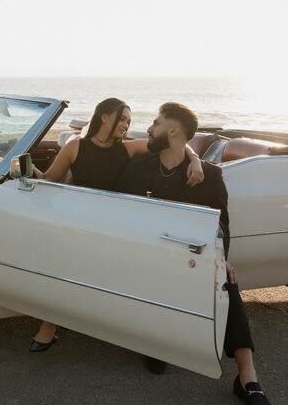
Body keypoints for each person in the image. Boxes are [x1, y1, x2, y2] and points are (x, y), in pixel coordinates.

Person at [114, 101, 274, 405]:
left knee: (225, 280)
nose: (149, 128)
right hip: (148, 259)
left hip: (189, 260)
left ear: (173, 131)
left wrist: (220, 259)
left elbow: (221, 224)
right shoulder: (140, 168)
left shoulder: (209, 176)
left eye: (156, 123)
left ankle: (248, 378)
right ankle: (161, 343)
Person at [28, 97, 206, 351]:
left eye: (129, 121)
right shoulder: (75, 146)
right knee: (58, 257)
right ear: (104, 117)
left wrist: (196, 160)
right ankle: (49, 324)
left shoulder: (128, 148)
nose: (126, 125)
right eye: (122, 119)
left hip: (114, 223)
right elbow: (47, 179)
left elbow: (176, 144)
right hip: (79, 220)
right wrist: (24, 164)